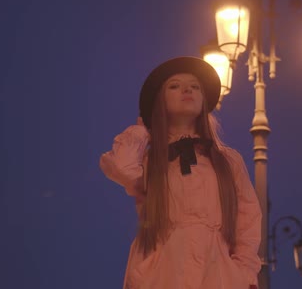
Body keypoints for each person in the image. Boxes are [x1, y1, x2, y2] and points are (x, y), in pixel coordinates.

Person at [99, 56, 262, 289]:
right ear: (159, 101)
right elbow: (121, 169)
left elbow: (248, 220)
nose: (187, 89)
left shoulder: (227, 161)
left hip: (218, 273)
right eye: (174, 85)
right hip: (162, 273)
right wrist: (142, 130)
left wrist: (243, 273)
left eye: (195, 86)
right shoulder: (150, 161)